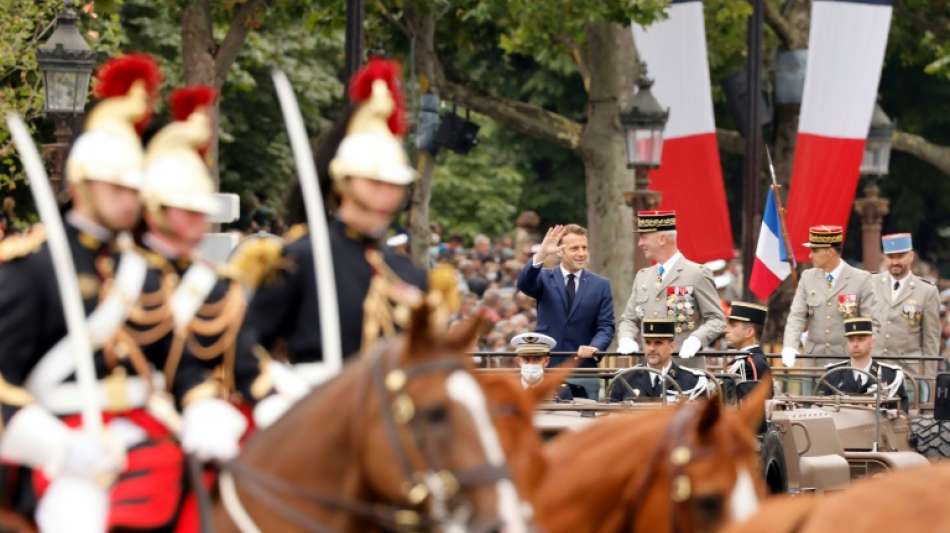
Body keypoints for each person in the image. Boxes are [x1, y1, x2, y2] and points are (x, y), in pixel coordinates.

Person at [0, 54, 166, 531]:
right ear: (82, 185)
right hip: (59, 444)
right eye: (116, 188)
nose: (128, 199)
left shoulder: (142, 270)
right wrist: (58, 446)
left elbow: (172, 362)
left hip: (142, 432)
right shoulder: (33, 265)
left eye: (134, 190)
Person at [236, 59, 427, 403]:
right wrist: (279, 395)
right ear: (344, 181)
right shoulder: (301, 257)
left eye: (393, 184)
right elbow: (246, 349)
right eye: (375, 182)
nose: (387, 193)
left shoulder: (408, 274)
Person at [616, 210, 725, 369]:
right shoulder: (643, 277)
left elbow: (717, 319)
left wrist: (696, 339)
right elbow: (629, 319)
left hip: (686, 372)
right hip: (649, 373)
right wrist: (626, 338)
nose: (640, 243)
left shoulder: (697, 274)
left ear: (662, 239)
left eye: (644, 237)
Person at [516, 224, 614, 400]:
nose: (581, 253)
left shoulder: (600, 285)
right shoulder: (544, 278)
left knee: (585, 424)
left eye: (584, 248)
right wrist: (541, 254)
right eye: (574, 248)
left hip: (583, 370)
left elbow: (606, 326)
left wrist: (595, 346)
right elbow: (524, 284)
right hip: (548, 367)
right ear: (560, 252)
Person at [782, 225, 878, 370]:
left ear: (830, 252)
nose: (810, 255)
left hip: (846, 361)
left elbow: (871, 322)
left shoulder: (861, 279)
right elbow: (797, 316)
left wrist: (863, 353)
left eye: (815, 250)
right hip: (813, 361)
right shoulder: (808, 277)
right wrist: (790, 346)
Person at [870, 233, 941, 376]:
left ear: (911, 256)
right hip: (874, 371)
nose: (895, 262)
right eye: (890, 257)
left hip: (908, 374)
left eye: (900, 256)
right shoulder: (871, 283)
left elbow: (930, 341)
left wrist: (928, 381)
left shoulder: (927, 291)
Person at [818, 317, 908, 412]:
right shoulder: (833, 374)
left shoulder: (890, 375)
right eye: (851, 340)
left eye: (860, 339)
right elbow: (821, 410)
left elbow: (902, 413)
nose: (855, 344)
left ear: (872, 343)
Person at [608, 319, 710, 402]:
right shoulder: (625, 379)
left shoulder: (691, 381)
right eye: (648, 343)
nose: (651, 348)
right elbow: (612, 419)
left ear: (672, 347)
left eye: (658, 343)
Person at [511, 332, 586, 401]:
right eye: (526, 359)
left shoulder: (560, 389)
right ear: (518, 361)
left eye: (537, 358)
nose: (531, 363)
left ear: (546, 361)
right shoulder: (507, 387)